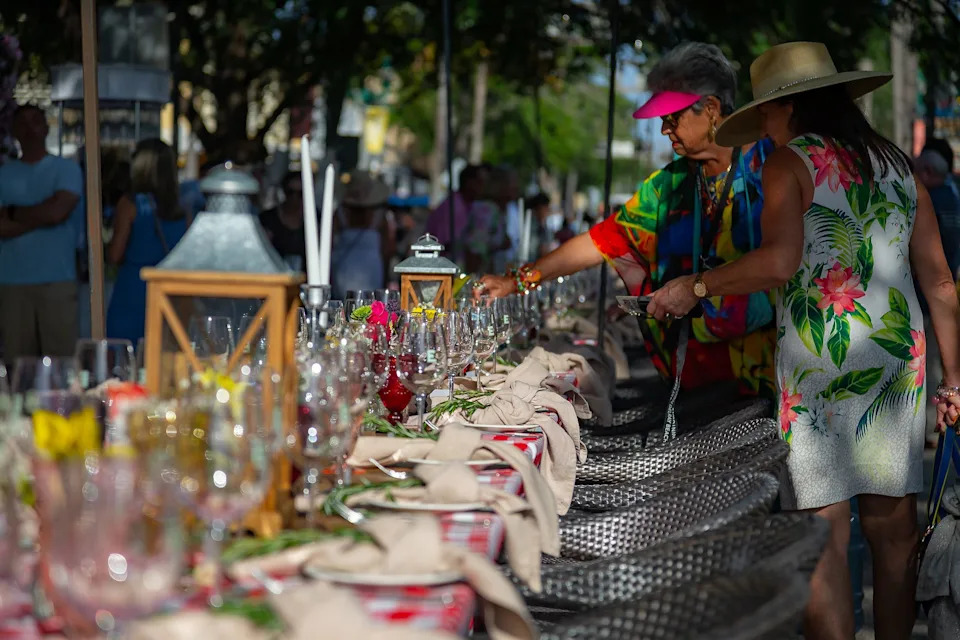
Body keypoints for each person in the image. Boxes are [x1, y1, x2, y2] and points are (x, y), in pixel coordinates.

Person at [648, 42, 960, 639]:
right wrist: (956, 380)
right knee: (893, 544)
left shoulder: (789, 163)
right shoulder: (899, 164)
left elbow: (779, 261)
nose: (763, 123)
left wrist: (698, 286)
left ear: (788, 106)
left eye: (765, 111)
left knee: (822, 540)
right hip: (895, 369)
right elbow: (941, 283)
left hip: (815, 373)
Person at [478, 42, 777, 398]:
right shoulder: (668, 186)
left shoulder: (772, 166)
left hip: (770, 374)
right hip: (695, 376)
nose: (665, 129)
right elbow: (601, 241)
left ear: (711, 109)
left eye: (672, 117)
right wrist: (518, 280)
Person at [0, 104, 83, 360]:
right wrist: (44, 213)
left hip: (57, 282)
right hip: (12, 284)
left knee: (61, 365)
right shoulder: (4, 174)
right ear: (13, 130)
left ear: (46, 128)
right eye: (22, 121)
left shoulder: (66, 169)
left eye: (35, 120)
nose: (29, 126)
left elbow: (58, 212)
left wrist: (13, 213)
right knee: (18, 368)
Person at [106, 139, 190, 344]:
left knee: (126, 354)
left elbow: (115, 253)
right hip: (169, 289)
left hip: (133, 287)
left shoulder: (131, 203)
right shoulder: (182, 209)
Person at [331, 171, 395, 300]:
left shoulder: (340, 214)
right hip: (362, 271)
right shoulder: (381, 216)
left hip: (351, 271)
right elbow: (388, 249)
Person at [425, 164, 488, 266]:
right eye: (480, 182)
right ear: (469, 183)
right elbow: (450, 245)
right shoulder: (454, 207)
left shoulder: (468, 205)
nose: (483, 187)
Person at [915, 149, 960, 275]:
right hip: (948, 271)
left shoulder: (932, 201)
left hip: (931, 276)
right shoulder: (952, 194)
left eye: (916, 172)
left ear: (928, 171)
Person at [259, 171, 307, 271]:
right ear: (284, 191)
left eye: (300, 193)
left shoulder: (316, 219)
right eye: (290, 192)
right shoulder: (268, 218)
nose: (294, 197)